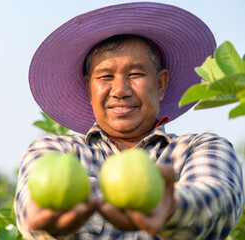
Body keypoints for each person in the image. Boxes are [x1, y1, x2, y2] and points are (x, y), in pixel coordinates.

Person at [14, 2, 244, 239]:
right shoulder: (56, 152)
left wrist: (171, 207)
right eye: (105, 76)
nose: (120, 90)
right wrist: (42, 218)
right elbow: (30, 210)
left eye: (135, 74)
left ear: (160, 84)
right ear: (88, 88)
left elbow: (217, 200)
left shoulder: (200, 148)